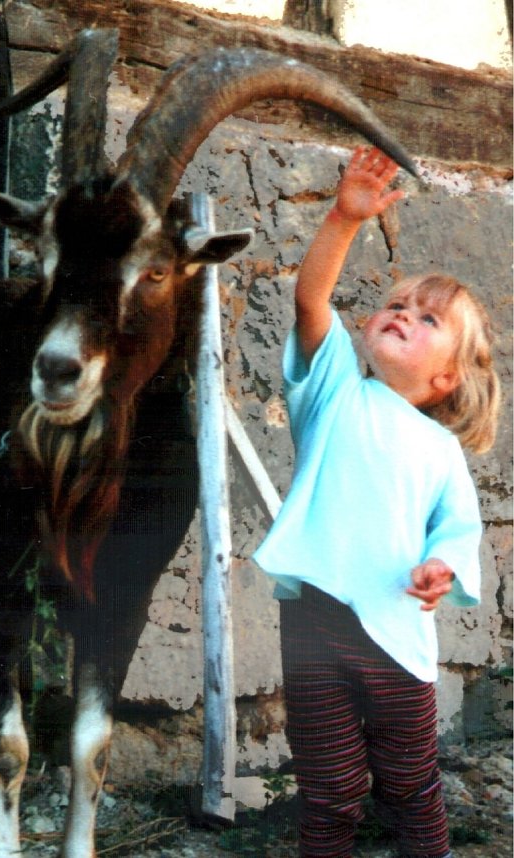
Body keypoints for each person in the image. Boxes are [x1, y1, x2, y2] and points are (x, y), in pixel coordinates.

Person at [253, 146, 500, 858]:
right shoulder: (333, 391)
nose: (402, 315)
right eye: (395, 304)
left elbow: (456, 527)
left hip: (397, 634)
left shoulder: (440, 449)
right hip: (315, 621)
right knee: (328, 788)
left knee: (410, 786)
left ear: (446, 377)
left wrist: (440, 567)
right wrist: (343, 218)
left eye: (427, 320)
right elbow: (310, 301)